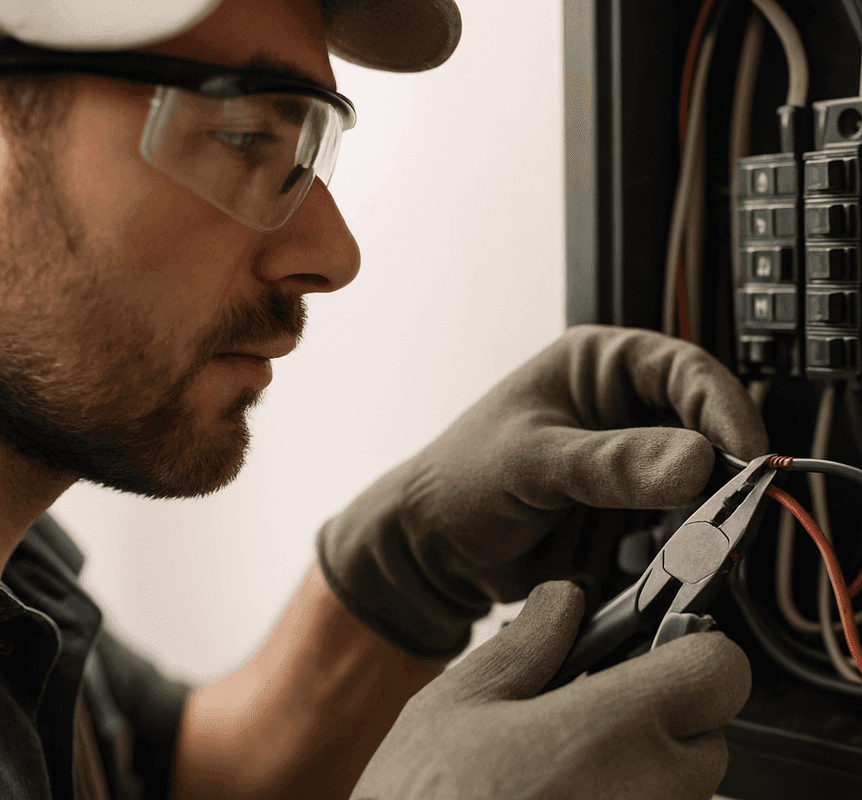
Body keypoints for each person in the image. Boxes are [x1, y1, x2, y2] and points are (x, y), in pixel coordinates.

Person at [0, 0, 770, 798]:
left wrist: (398, 579)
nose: (335, 255)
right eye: (241, 136)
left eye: (305, 143)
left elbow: (176, 781)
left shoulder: (21, 577)